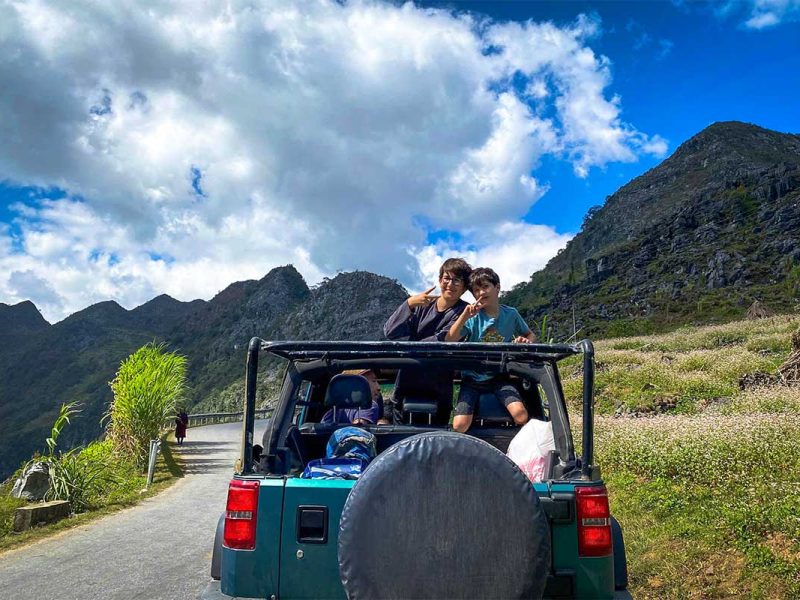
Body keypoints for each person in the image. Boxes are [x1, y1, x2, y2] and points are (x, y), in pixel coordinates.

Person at [382, 257, 472, 424]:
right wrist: (408, 304)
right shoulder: (421, 306)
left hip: (439, 389)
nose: (450, 284)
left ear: (465, 287)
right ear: (439, 280)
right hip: (406, 385)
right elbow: (390, 332)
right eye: (447, 278)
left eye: (457, 280)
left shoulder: (465, 312)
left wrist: (412, 344)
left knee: (435, 444)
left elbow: (444, 339)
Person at [446, 267, 535, 433]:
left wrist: (524, 340)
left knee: (521, 415)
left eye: (485, 287)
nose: (480, 292)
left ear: (497, 287)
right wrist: (464, 316)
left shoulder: (511, 314)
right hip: (471, 379)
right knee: (459, 425)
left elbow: (530, 335)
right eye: (476, 290)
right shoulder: (473, 318)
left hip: (499, 376)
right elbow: (450, 339)